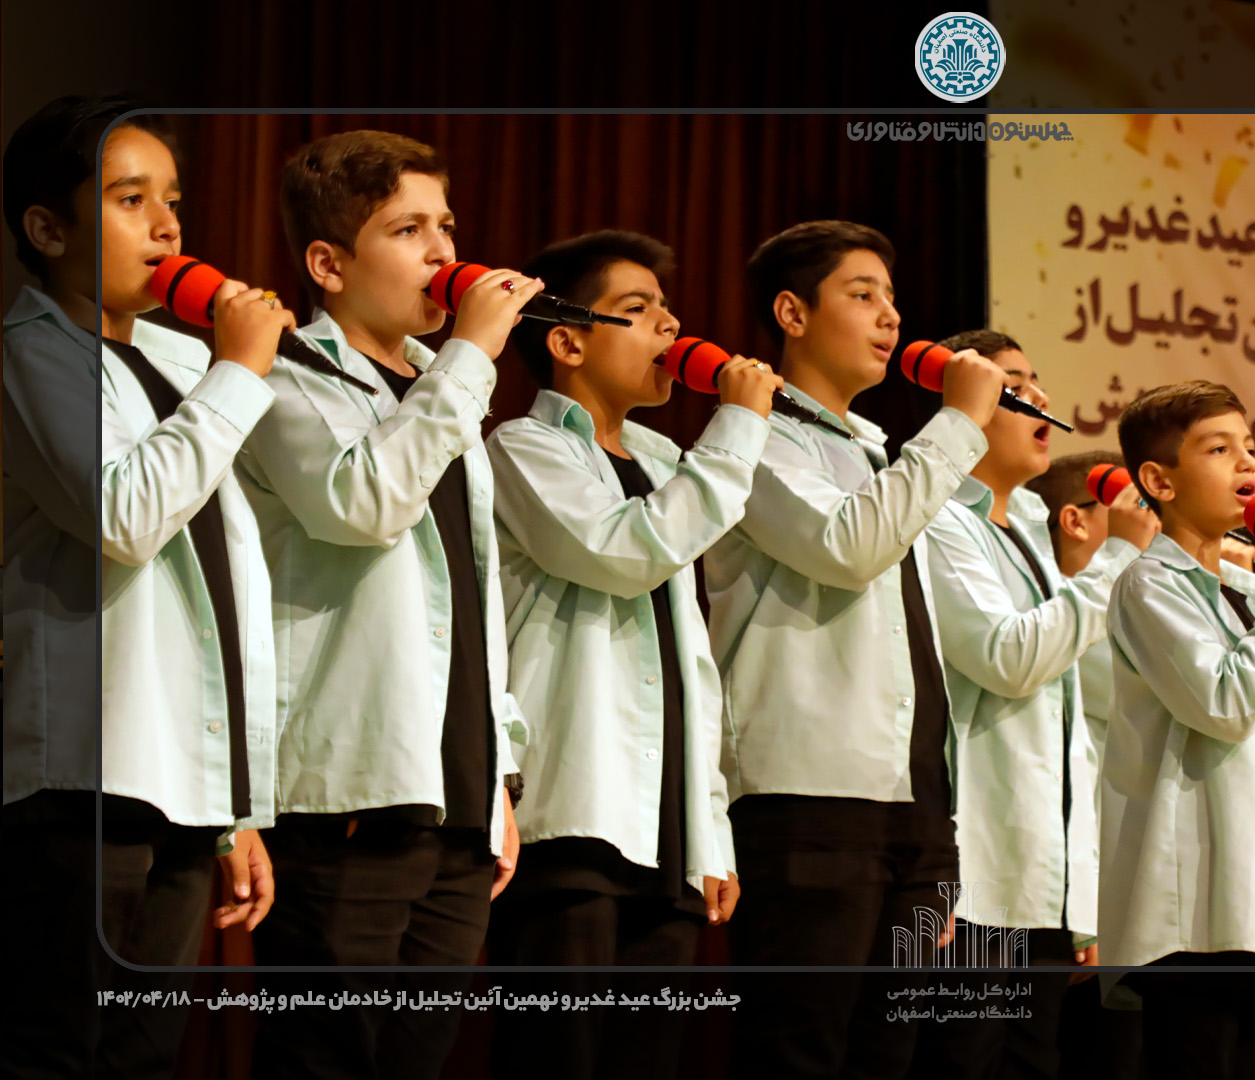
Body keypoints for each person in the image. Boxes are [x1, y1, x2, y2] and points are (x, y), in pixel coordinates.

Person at [239, 129, 538, 1079]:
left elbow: (473, 595)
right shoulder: (285, 375)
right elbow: (362, 504)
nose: (443, 253)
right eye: (408, 230)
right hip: (349, 791)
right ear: (329, 264)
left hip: (454, 793)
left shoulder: (440, 389)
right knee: (327, 1057)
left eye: (445, 226)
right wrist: (470, 355)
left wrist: (499, 775)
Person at [3, 93, 285, 1080]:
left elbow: (226, 587)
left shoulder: (179, 359)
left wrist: (237, 807)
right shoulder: (32, 351)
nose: (167, 227)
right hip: (87, 769)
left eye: (172, 200)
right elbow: (124, 515)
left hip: (182, 780)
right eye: (131, 200)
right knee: (58, 1048)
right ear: (49, 230)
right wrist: (239, 370)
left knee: (146, 1054)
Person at [703, 220, 1009, 1079]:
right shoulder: (755, 437)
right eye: (862, 294)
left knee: (891, 1053)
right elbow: (848, 547)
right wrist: (959, 421)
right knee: (800, 1048)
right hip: (809, 793)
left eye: (892, 297)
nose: (890, 316)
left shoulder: (880, 454)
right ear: (792, 313)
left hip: (914, 804)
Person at [483, 230, 782, 1076]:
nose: (671, 326)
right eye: (638, 309)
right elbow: (624, 552)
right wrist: (738, 425)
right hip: (573, 813)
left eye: (667, 307)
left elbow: (694, 665)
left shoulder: (665, 460)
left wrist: (711, 832)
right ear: (568, 342)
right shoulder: (524, 447)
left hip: (667, 830)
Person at [913, 331, 1156, 1079]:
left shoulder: (1024, 532)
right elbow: (1009, 659)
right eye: (1013, 388)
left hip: (1038, 886)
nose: (1040, 400)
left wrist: (1077, 900)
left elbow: (1068, 727)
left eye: (1036, 382)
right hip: (971, 880)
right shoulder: (938, 519)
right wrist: (1118, 556)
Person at [1099, 380, 1255, 1080]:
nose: (1247, 463)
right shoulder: (1149, 584)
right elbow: (1226, 703)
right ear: (1160, 481)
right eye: (1218, 449)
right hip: (1203, 920)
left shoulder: (1251, 594)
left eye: (1250, 447)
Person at [1028, 448, 1152, 1080]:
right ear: (1076, 521)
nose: (1150, 524)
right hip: (1065, 902)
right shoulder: (1056, 618)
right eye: (1134, 508)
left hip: (1113, 900)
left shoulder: (1119, 607)